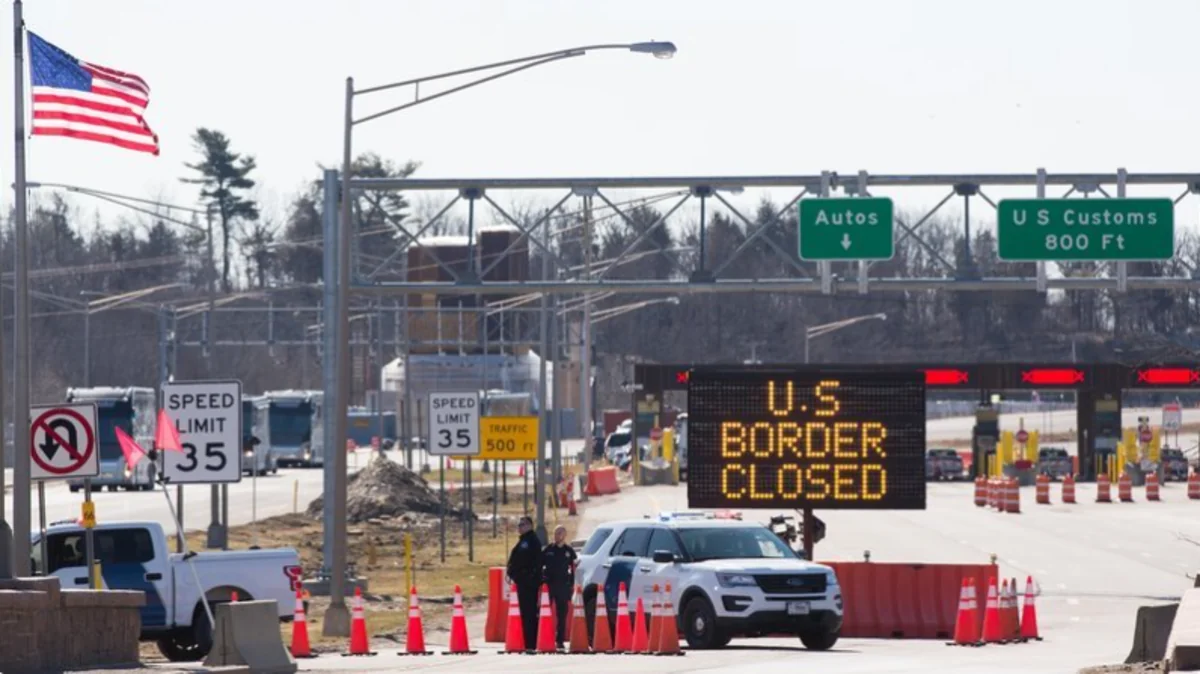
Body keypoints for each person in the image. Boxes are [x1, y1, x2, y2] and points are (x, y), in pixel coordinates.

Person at [506, 516, 542, 649]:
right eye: (519, 525)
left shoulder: (532, 541)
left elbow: (535, 562)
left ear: (530, 526)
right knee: (523, 612)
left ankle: (530, 642)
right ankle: (526, 641)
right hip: (521, 583)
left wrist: (528, 577)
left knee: (529, 613)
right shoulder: (523, 541)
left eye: (522, 525)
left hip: (528, 584)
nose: (519, 527)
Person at [541, 524, 578, 648]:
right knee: (544, 612)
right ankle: (543, 637)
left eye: (559, 533)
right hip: (549, 585)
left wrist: (571, 585)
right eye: (555, 533)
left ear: (564, 535)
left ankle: (560, 640)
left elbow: (574, 568)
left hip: (563, 586)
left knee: (562, 614)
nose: (557, 536)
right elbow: (540, 564)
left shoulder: (569, 551)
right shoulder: (548, 550)